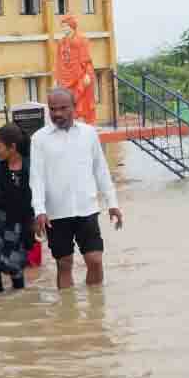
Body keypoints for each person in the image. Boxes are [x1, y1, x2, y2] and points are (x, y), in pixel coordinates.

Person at [31, 87, 123, 289]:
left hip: (87, 209)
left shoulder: (89, 134)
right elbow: (36, 178)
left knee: (95, 260)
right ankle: (67, 315)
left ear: (74, 107)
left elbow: (101, 170)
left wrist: (112, 204)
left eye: (63, 108)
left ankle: (95, 313)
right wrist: (39, 210)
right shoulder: (39, 138)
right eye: (53, 109)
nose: (58, 114)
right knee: (64, 264)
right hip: (56, 213)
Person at [0, 124, 36, 293]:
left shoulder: (31, 166)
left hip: (18, 224)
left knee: (15, 265)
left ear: (12, 147)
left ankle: (18, 302)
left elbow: (39, 195)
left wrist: (36, 220)